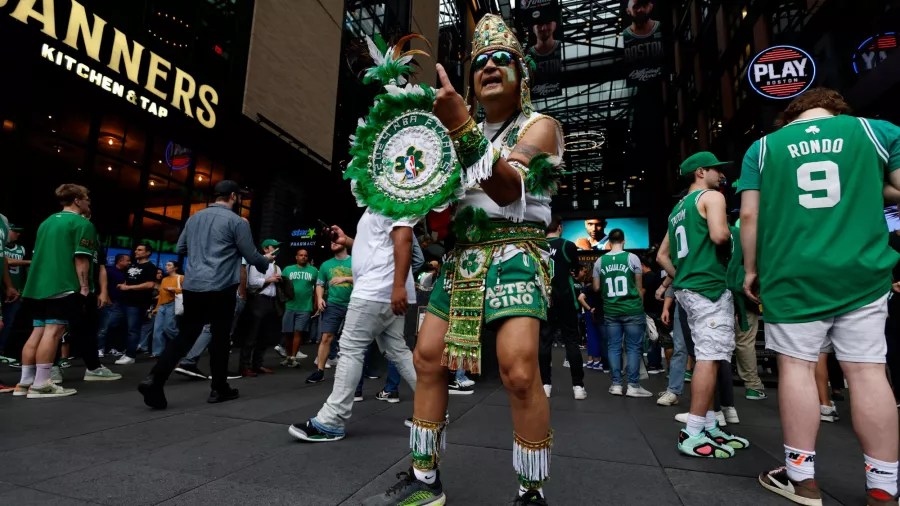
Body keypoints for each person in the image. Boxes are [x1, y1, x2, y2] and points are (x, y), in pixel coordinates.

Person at [364, 15, 565, 506]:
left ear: (524, 74)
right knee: (426, 359)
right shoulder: (447, 136)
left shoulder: (542, 126)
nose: (489, 67)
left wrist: (459, 123)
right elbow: (434, 204)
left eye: (502, 60)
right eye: (479, 63)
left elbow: (507, 187)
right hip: (463, 258)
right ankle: (425, 479)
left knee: (518, 370)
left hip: (517, 250)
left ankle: (531, 492)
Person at [739, 88, 900, 505]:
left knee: (796, 368)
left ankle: (802, 478)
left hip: (793, 275)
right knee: (867, 372)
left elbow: (750, 215)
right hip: (862, 273)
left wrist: (751, 269)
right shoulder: (875, 131)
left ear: (789, 116)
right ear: (838, 109)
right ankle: (884, 487)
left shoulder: (762, 148)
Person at [138, 180, 274, 409]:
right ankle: (218, 388)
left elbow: (180, 248)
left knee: (186, 334)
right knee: (220, 337)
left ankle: (155, 378)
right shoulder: (236, 221)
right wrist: (265, 262)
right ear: (233, 195)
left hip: (193, 286)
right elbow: (252, 257)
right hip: (221, 286)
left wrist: (203, 252)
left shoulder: (194, 218)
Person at [288, 215, 418, 442]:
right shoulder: (377, 204)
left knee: (349, 349)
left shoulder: (389, 195)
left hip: (374, 291)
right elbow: (376, 248)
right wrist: (346, 240)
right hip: (382, 291)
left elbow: (404, 239)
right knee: (397, 350)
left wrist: (398, 287)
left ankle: (331, 422)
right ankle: (434, 409)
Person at [657, 152, 748, 458]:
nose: (721, 175)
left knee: (707, 353)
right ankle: (694, 430)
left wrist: (680, 276)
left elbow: (661, 256)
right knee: (710, 356)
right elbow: (721, 235)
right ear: (700, 172)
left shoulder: (677, 209)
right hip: (709, 286)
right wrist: (740, 243)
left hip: (688, 289)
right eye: (716, 170)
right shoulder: (712, 197)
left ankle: (708, 424)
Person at [14, 184, 95, 398]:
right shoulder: (82, 223)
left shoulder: (46, 222)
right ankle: (41, 384)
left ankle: (24, 383)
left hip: (36, 286)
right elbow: (81, 258)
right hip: (62, 285)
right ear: (77, 200)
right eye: (86, 199)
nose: (88, 203)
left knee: (38, 331)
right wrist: (84, 287)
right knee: (54, 332)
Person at [594, 229, 651, 397]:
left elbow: (596, 287)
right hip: (632, 308)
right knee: (633, 347)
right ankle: (633, 385)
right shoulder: (632, 258)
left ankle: (616, 384)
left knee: (614, 346)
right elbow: (639, 287)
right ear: (624, 241)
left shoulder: (599, 261)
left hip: (611, 310)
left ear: (609, 242)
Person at [539, 215, 586, 400]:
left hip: (545, 299)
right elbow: (575, 270)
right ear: (560, 227)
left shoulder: (538, 245)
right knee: (572, 343)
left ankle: (545, 385)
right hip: (566, 299)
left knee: (544, 343)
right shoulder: (567, 245)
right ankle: (578, 386)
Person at [238, 239, 283, 376]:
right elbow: (251, 283)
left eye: (277, 247)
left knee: (265, 336)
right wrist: (269, 280)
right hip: (258, 300)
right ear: (265, 249)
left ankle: (258, 364)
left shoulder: (276, 266)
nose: (276, 249)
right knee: (251, 335)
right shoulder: (257, 263)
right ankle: (244, 366)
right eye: (273, 247)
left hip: (271, 302)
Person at [307, 242, 351, 383]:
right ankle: (319, 371)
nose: (333, 243)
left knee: (355, 339)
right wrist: (319, 298)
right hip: (333, 304)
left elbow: (366, 278)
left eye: (336, 240)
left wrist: (345, 278)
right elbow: (320, 284)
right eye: (331, 241)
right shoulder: (326, 265)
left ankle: (362, 370)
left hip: (355, 303)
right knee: (326, 337)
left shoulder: (355, 261)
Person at [114, 243, 158, 364]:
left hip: (137, 302)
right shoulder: (131, 266)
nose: (136, 251)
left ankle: (130, 355)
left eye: (139, 250)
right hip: (124, 300)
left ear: (147, 252)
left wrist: (129, 288)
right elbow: (129, 280)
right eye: (136, 249)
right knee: (121, 326)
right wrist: (123, 285)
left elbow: (150, 284)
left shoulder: (150, 267)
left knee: (133, 329)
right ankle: (126, 350)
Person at [0, 224, 28, 358]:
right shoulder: (1, 246)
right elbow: (8, 261)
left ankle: (2, 350)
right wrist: (30, 262)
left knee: (9, 322)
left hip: (16, 290)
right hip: (2, 288)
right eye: (15, 231)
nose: (17, 234)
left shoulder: (21, 249)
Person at [96, 253, 129, 357]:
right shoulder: (109, 271)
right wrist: (107, 299)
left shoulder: (126, 273)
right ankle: (99, 348)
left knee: (116, 328)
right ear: (120, 261)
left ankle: (111, 348)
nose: (129, 263)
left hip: (121, 304)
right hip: (110, 303)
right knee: (105, 327)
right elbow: (103, 286)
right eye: (127, 261)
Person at [578, 265, 607, 371]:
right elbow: (580, 298)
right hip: (594, 313)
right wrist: (590, 308)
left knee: (590, 336)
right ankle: (597, 360)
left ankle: (591, 360)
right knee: (597, 337)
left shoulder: (586, 287)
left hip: (588, 314)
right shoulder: (593, 288)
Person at [152, 261, 182, 359]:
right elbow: (161, 295)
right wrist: (157, 308)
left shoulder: (180, 278)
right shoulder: (164, 279)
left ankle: (182, 345)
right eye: (166, 264)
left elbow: (187, 290)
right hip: (162, 305)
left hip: (173, 303)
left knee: (169, 327)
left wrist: (175, 289)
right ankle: (157, 352)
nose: (166, 266)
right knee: (157, 329)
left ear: (175, 268)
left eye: (169, 265)